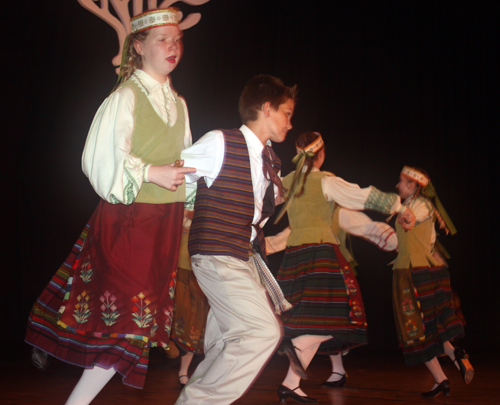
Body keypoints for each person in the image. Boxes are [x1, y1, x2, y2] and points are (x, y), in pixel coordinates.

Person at [25, 8, 195, 404]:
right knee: (126, 326)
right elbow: (98, 160)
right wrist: (151, 173)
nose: (173, 46)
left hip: (164, 224)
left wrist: (188, 206)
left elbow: (185, 161)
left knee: (131, 323)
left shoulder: (180, 103)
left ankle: (48, 326)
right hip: (129, 220)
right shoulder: (125, 97)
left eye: (177, 39)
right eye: (162, 39)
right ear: (138, 46)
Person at [174, 74, 297, 405]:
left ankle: (194, 398)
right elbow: (175, 177)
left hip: (242, 257)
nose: (290, 122)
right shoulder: (220, 142)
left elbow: (257, 215)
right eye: (287, 113)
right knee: (263, 332)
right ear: (266, 108)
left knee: (227, 340)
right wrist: (187, 212)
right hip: (216, 252)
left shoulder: (270, 161)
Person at [273, 131, 414, 403]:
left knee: (311, 321)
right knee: (337, 320)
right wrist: (398, 206)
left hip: (294, 256)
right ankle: (297, 346)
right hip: (321, 253)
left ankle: (290, 384)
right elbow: (360, 196)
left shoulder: (285, 182)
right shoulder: (326, 181)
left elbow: (261, 201)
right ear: (322, 154)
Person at [392, 166, 473, 398]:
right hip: (426, 269)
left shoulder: (418, 205)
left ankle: (445, 370)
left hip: (412, 273)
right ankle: (447, 370)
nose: (397, 186)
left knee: (414, 328)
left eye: (401, 181)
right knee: (430, 327)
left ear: (414, 186)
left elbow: (411, 218)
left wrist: (401, 213)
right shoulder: (420, 206)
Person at [165, 204, 210, 388]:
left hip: (199, 274)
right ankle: (169, 346)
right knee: (170, 317)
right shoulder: (183, 204)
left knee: (195, 323)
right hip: (177, 271)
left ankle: (183, 371)